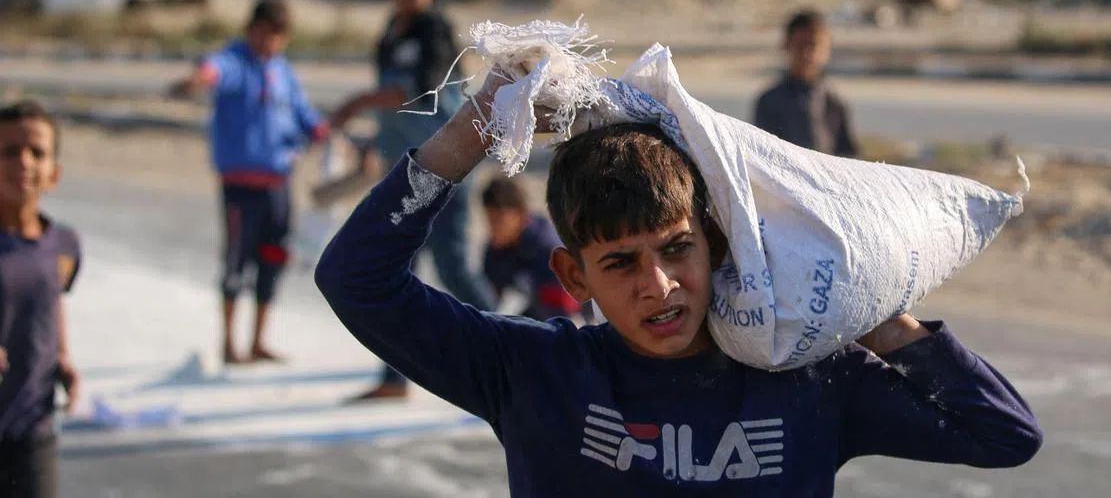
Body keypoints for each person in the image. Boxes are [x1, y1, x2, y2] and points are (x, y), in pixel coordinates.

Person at [314, 73, 1043, 496]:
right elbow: (356, 281)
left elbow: (1004, 435)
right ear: (574, 277)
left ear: (717, 243)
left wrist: (873, 311)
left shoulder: (806, 380)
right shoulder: (534, 374)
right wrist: (472, 128)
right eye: (620, 263)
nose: (659, 286)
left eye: (677, 249)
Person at [330, 0, 495, 401]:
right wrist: (371, 146)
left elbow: (420, 95)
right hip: (402, 174)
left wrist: (355, 104)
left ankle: (522, 346)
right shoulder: (390, 33)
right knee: (394, 271)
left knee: (455, 269)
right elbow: (393, 113)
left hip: (445, 171)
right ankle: (394, 377)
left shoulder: (434, 31)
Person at [170, 0, 329, 364]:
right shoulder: (234, 60)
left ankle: (258, 341)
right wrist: (197, 80)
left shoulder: (284, 72)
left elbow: (306, 117)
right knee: (235, 263)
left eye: (278, 35)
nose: (270, 42)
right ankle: (229, 343)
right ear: (250, 30)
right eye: (264, 33)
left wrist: (326, 133)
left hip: (278, 185)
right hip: (240, 188)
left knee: (272, 259)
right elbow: (214, 71)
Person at [0, 100, 81, 498]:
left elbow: (52, 298)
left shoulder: (64, 246)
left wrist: (63, 355)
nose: (24, 163)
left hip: (34, 425)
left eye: (37, 153)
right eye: (9, 152)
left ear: (55, 173)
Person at [753, 9, 859, 158]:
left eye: (815, 45)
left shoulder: (834, 101)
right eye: (801, 45)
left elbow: (848, 155)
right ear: (786, 45)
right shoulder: (769, 101)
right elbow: (759, 155)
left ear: (827, 50)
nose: (808, 53)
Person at [479, 177, 580, 322]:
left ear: (520, 215)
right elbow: (488, 298)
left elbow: (566, 309)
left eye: (499, 221)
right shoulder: (496, 248)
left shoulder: (548, 250)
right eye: (489, 220)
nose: (493, 229)